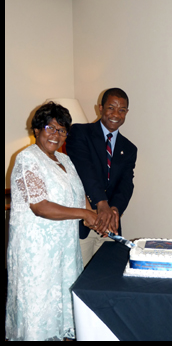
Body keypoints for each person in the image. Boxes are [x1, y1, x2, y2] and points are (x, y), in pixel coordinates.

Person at [5, 102, 100, 341]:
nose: (56, 135)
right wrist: (84, 214)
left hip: (64, 250)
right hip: (36, 253)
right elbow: (40, 206)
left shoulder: (65, 160)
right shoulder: (27, 159)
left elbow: (80, 196)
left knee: (62, 308)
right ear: (37, 129)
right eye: (50, 127)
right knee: (39, 312)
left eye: (62, 130)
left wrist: (94, 217)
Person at [66, 88, 137, 266]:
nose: (116, 114)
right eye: (111, 108)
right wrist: (101, 203)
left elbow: (126, 185)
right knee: (78, 280)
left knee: (105, 279)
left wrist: (114, 211)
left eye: (122, 110)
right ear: (100, 108)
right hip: (83, 224)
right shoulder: (80, 133)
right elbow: (85, 170)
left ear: (126, 113)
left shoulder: (129, 148)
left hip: (110, 228)